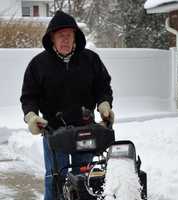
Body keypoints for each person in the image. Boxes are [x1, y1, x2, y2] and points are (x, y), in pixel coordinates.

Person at [20, 10, 114, 200]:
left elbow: (103, 87)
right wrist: (31, 116)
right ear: (52, 38)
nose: (65, 40)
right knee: (56, 177)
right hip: (54, 131)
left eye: (68, 35)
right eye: (60, 36)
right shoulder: (38, 64)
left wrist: (104, 104)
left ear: (75, 37)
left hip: (85, 128)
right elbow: (29, 97)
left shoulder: (91, 60)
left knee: (83, 177)